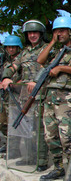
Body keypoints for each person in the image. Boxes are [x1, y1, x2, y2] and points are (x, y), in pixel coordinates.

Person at [32, 16, 71, 181]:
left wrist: (61, 68)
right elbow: (40, 61)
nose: (59, 33)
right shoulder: (57, 52)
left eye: (62, 30)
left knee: (67, 138)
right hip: (50, 98)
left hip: (66, 100)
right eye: (56, 30)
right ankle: (58, 168)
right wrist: (51, 43)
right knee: (51, 137)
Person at [1, 20, 50, 171]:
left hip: (40, 94)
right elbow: (13, 66)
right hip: (24, 96)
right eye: (29, 33)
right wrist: (6, 77)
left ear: (41, 34)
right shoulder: (25, 52)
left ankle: (41, 161)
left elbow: (48, 67)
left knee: (39, 129)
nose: (32, 35)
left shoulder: (47, 49)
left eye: (35, 32)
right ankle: (29, 157)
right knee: (26, 127)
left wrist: (36, 81)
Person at [0, 35, 23, 153]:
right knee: (3, 122)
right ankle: (9, 145)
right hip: (5, 95)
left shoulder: (22, 60)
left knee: (14, 123)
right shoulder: (5, 61)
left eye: (13, 47)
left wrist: (14, 83)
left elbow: (25, 77)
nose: (11, 49)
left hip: (16, 96)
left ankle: (14, 149)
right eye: (9, 47)